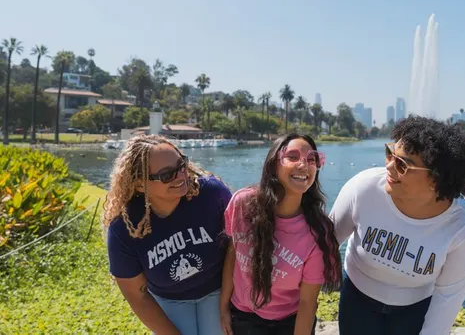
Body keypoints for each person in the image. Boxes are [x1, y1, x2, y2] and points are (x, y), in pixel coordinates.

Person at [329, 116, 465, 335]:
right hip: (358, 298)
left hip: (416, 308)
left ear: (436, 179)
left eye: (402, 164)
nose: (389, 167)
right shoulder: (364, 188)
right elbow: (325, 243)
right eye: (390, 154)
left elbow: (448, 298)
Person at [104, 135, 232, 335]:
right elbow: (137, 295)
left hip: (218, 289)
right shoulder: (125, 228)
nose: (182, 176)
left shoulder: (212, 194)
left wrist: (226, 303)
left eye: (182, 165)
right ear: (139, 185)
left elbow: (237, 246)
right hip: (170, 298)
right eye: (167, 175)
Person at [220, 133, 342, 335]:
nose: (304, 165)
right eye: (292, 157)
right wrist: (223, 307)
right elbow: (233, 254)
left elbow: (307, 302)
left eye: (312, 159)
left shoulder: (318, 232)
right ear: (273, 163)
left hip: (289, 322)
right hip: (243, 316)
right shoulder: (243, 204)